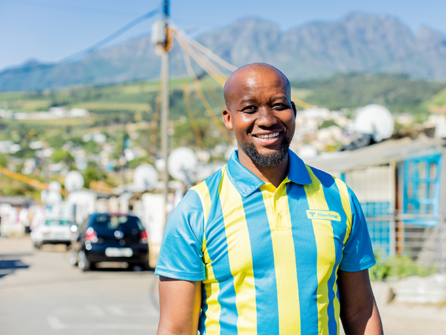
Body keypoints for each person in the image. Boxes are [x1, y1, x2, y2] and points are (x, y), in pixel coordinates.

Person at [155, 63, 383, 335]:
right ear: (228, 118)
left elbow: (361, 312)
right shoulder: (197, 209)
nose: (266, 119)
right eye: (250, 108)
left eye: (278, 105)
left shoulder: (338, 196)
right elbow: (176, 329)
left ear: (294, 111)